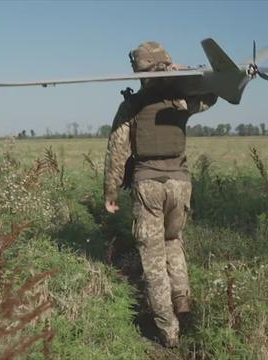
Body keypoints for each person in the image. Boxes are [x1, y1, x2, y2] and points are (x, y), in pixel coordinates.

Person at [103, 41, 217, 347]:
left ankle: (168, 331)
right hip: (180, 185)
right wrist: (187, 77)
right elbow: (212, 97)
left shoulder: (132, 105)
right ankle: (182, 301)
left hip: (148, 187)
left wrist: (110, 191)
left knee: (152, 258)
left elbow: (117, 151)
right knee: (173, 242)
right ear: (166, 64)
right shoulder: (181, 100)